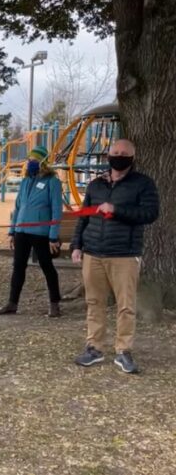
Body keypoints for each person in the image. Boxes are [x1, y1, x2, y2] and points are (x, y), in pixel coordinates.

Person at [71, 139, 159, 374]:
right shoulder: (95, 185)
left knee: (125, 306)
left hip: (124, 255)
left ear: (132, 157)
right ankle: (94, 347)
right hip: (93, 253)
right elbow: (83, 217)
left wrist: (117, 210)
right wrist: (77, 245)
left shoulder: (143, 184)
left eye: (124, 153)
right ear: (108, 156)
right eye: (115, 152)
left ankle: (123, 351)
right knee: (94, 302)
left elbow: (150, 213)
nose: (119, 156)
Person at [0, 146, 63, 317]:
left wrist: (53, 236)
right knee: (18, 267)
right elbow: (17, 207)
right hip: (21, 231)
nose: (30, 163)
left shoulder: (52, 182)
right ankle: (12, 303)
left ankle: (55, 305)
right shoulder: (25, 181)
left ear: (42, 162)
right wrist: (12, 231)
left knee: (47, 267)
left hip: (41, 232)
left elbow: (56, 210)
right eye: (29, 160)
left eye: (34, 160)